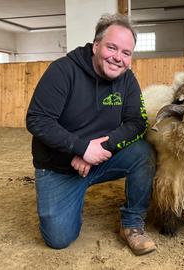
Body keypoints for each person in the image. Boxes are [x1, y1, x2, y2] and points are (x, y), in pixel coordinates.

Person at [26, 13, 157, 255]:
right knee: (58, 239)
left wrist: (102, 148)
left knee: (143, 153)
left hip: (100, 159)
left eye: (126, 53)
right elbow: (37, 119)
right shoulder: (63, 71)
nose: (118, 57)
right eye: (112, 47)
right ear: (96, 45)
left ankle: (132, 224)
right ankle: (72, 202)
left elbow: (137, 123)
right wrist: (81, 148)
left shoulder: (127, 79)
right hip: (60, 167)